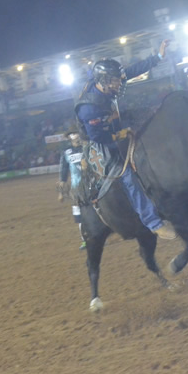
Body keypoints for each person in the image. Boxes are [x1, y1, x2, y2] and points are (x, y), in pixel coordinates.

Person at [74, 38, 177, 240]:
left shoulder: (106, 82)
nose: (120, 83)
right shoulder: (88, 108)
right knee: (126, 175)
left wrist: (158, 56)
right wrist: (121, 134)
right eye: (116, 81)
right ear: (104, 81)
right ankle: (153, 223)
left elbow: (131, 71)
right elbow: (97, 136)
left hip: (113, 123)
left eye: (118, 79)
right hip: (99, 143)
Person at [58, 132, 86, 250]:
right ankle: (84, 240)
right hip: (76, 189)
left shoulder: (87, 147)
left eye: (77, 133)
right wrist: (61, 193)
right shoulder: (66, 152)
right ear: (69, 137)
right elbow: (63, 172)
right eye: (73, 134)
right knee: (79, 216)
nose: (76, 136)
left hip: (92, 186)